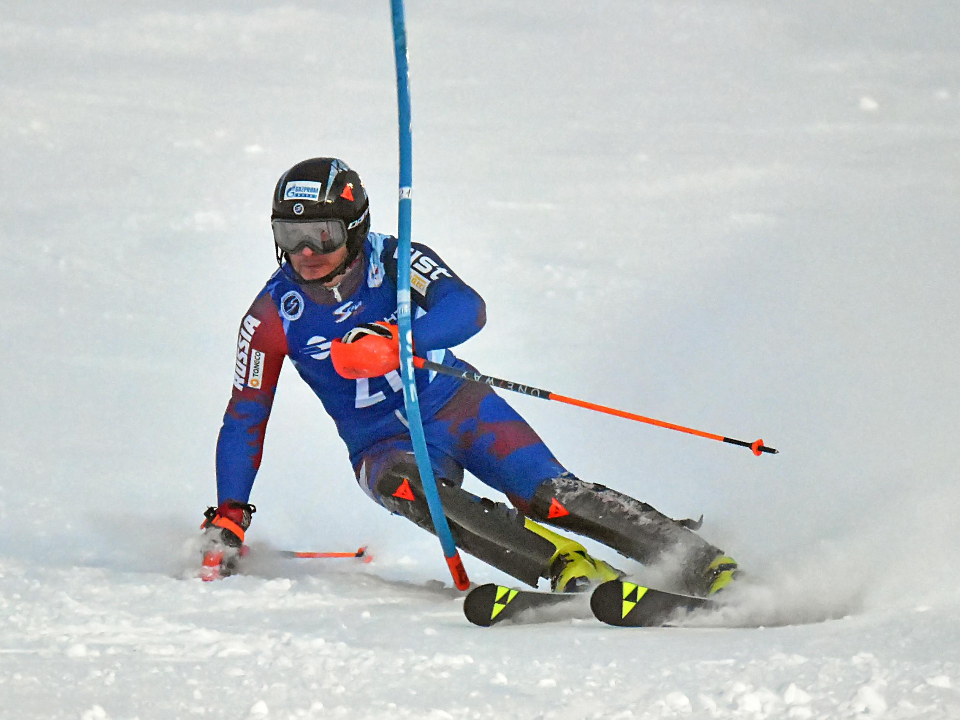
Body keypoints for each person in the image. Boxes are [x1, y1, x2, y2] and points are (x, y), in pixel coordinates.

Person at [200, 157, 738, 595]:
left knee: (548, 495)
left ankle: (697, 560)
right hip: (381, 443)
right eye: (289, 234)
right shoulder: (272, 314)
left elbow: (467, 309)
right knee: (421, 493)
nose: (306, 252)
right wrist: (229, 513)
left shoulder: (397, 258)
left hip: (458, 405)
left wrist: (395, 342)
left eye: (321, 233)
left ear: (356, 229)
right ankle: (567, 566)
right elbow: (246, 414)